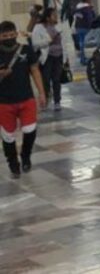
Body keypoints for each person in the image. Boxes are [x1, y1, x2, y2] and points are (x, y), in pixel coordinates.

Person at [0, 21, 45, 178]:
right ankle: (13, 163)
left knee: (30, 130)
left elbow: (35, 71)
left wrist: (42, 93)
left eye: (11, 35)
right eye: (5, 36)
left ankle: (26, 155)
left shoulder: (26, 50)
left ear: (16, 34)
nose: (9, 38)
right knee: (7, 135)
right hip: (4, 101)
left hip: (26, 98)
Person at [31, 8, 65, 111]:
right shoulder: (39, 27)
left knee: (57, 79)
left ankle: (57, 101)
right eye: (53, 15)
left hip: (59, 56)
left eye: (56, 15)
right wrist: (49, 39)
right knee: (45, 79)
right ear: (47, 17)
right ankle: (44, 99)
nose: (56, 17)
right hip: (47, 57)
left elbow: (66, 42)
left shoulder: (60, 26)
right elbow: (35, 43)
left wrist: (67, 58)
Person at [73, 0, 96, 65]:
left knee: (81, 43)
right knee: (86, 44)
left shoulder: (77, 8)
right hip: (86, 28)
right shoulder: (87, 8)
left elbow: (77, 17)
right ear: (88, 0)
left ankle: (82, 59)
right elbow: (90, 19)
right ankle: (85, 58)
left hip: (78, 27)